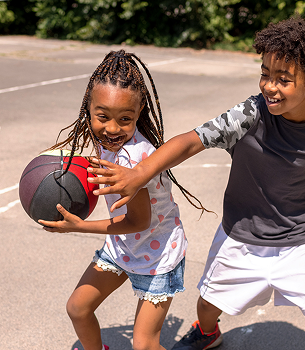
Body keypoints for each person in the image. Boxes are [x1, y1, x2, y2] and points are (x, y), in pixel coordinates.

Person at [85, 18, 305, 350]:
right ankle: (207, 333)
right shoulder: (251, 114)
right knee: (206, 307)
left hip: (303, 241)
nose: (268, 85)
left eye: (283, 79)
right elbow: (193, 140)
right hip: (241, 235)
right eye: (265, 74)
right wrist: (141, 172)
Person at [39, 50, 209, 350]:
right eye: (102, 116)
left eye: (125, 119)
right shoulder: (109, 142)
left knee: (144, 345)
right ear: (88, 109)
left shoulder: (134, 158)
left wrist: (79, 226)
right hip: (123, 248)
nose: (113, 128)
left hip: (158, 256)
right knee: (78, 308)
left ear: (139, 111)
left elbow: (138, 221)